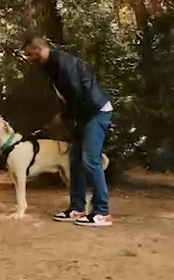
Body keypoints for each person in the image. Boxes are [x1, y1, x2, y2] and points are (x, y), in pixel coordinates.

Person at [22, 37, 114, 227]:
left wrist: (63, 116)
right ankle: (78, 208)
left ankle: (102, 212)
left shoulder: (62, 62)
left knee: (90, 159)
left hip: (96, 111)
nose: (29, 59)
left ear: (39, 48)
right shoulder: (51, 66)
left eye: (30, 54)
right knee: (75, 161)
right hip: (82, 115)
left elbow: (76, 93)